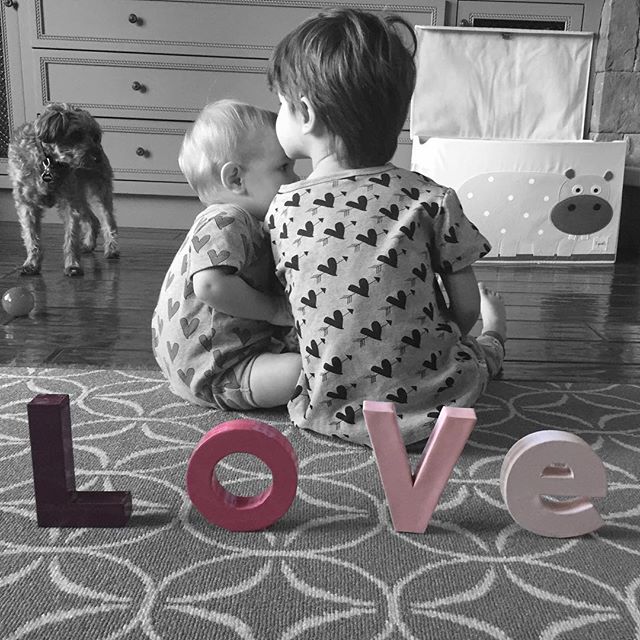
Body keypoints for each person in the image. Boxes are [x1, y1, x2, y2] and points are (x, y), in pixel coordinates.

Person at [265, 8, 507, 446]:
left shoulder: (283, 208)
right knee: (475, 354)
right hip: (438, 400)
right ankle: (498, 337)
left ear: (306, 114)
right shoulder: (431, 199)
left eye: (281, 103)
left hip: (329, 407)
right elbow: (466, 307)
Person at [152, 99, 301, 410]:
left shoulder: (240, 221)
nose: (296, 179)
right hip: (217, 370)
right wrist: (274, 310)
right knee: (304, 371)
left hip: (203, 361)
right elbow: (210, 286)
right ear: (235, 179)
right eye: (283, 167)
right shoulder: (227, 219)